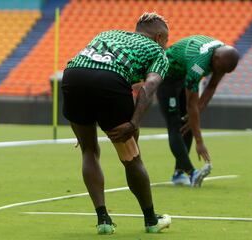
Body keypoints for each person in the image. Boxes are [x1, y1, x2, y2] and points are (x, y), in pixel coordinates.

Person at [61, 12, 171, 235]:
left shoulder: (108, 33)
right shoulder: (158, 52)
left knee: (88, 150)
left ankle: (103, 220)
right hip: (110, 79)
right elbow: (148, 88)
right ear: (159, 37)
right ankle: (151, 220)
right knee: (131, 156)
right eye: (166, 40)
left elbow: (89, 69)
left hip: (73, 75)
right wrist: (133, 123)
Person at [157, 35, 239, 187]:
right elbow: (191, 104)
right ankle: (192, 173)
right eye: (219, 69)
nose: (219, 72)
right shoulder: (198, 65)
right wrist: (199, 142)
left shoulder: (221, 58)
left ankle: (179, 172)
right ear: (216, 59)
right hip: (166, 77)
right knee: (175, 125)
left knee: (187, 123)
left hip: (181, 76)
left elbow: (212, 87)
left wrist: (195, 116)